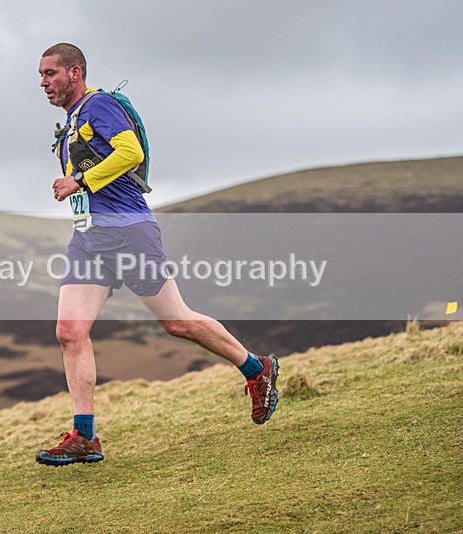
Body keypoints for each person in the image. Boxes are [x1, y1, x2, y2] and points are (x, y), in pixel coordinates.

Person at [35, 43, 279, 466]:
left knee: (177, 322)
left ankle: (257, 370)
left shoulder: (100, 105)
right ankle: (84, 436)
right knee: (69, 331)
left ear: (75, 73)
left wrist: (78, 180)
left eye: (50, 74)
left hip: (129, 232)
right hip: (89, 239)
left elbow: (132, 153)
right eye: (40, 76)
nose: (43, 83)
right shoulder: (72, 121)